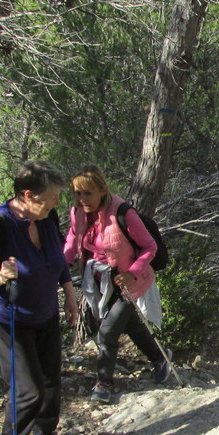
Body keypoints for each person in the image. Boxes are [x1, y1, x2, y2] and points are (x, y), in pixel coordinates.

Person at [0, 161, 78, 435]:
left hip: (45, 311)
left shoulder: (46, 218)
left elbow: (57, 261)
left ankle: (45, 433)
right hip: (9, 317)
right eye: (52, 197)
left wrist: (69, 296)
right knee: (28, 388)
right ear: (28, 195)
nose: (57, 203)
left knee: (51, 380)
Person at [63, 165, 171, 404]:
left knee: (108, 331)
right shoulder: (77, 212)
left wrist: (132, 273)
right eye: (77, 194)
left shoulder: (123, 213)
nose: (82, 199)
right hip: (100, 283)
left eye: (87, 193)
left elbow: (149, 247)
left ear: (102, 190)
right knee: (130, 324)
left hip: (129, 283)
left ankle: (103, 382)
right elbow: (72, 238)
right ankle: (160, 358)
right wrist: (62, 265)